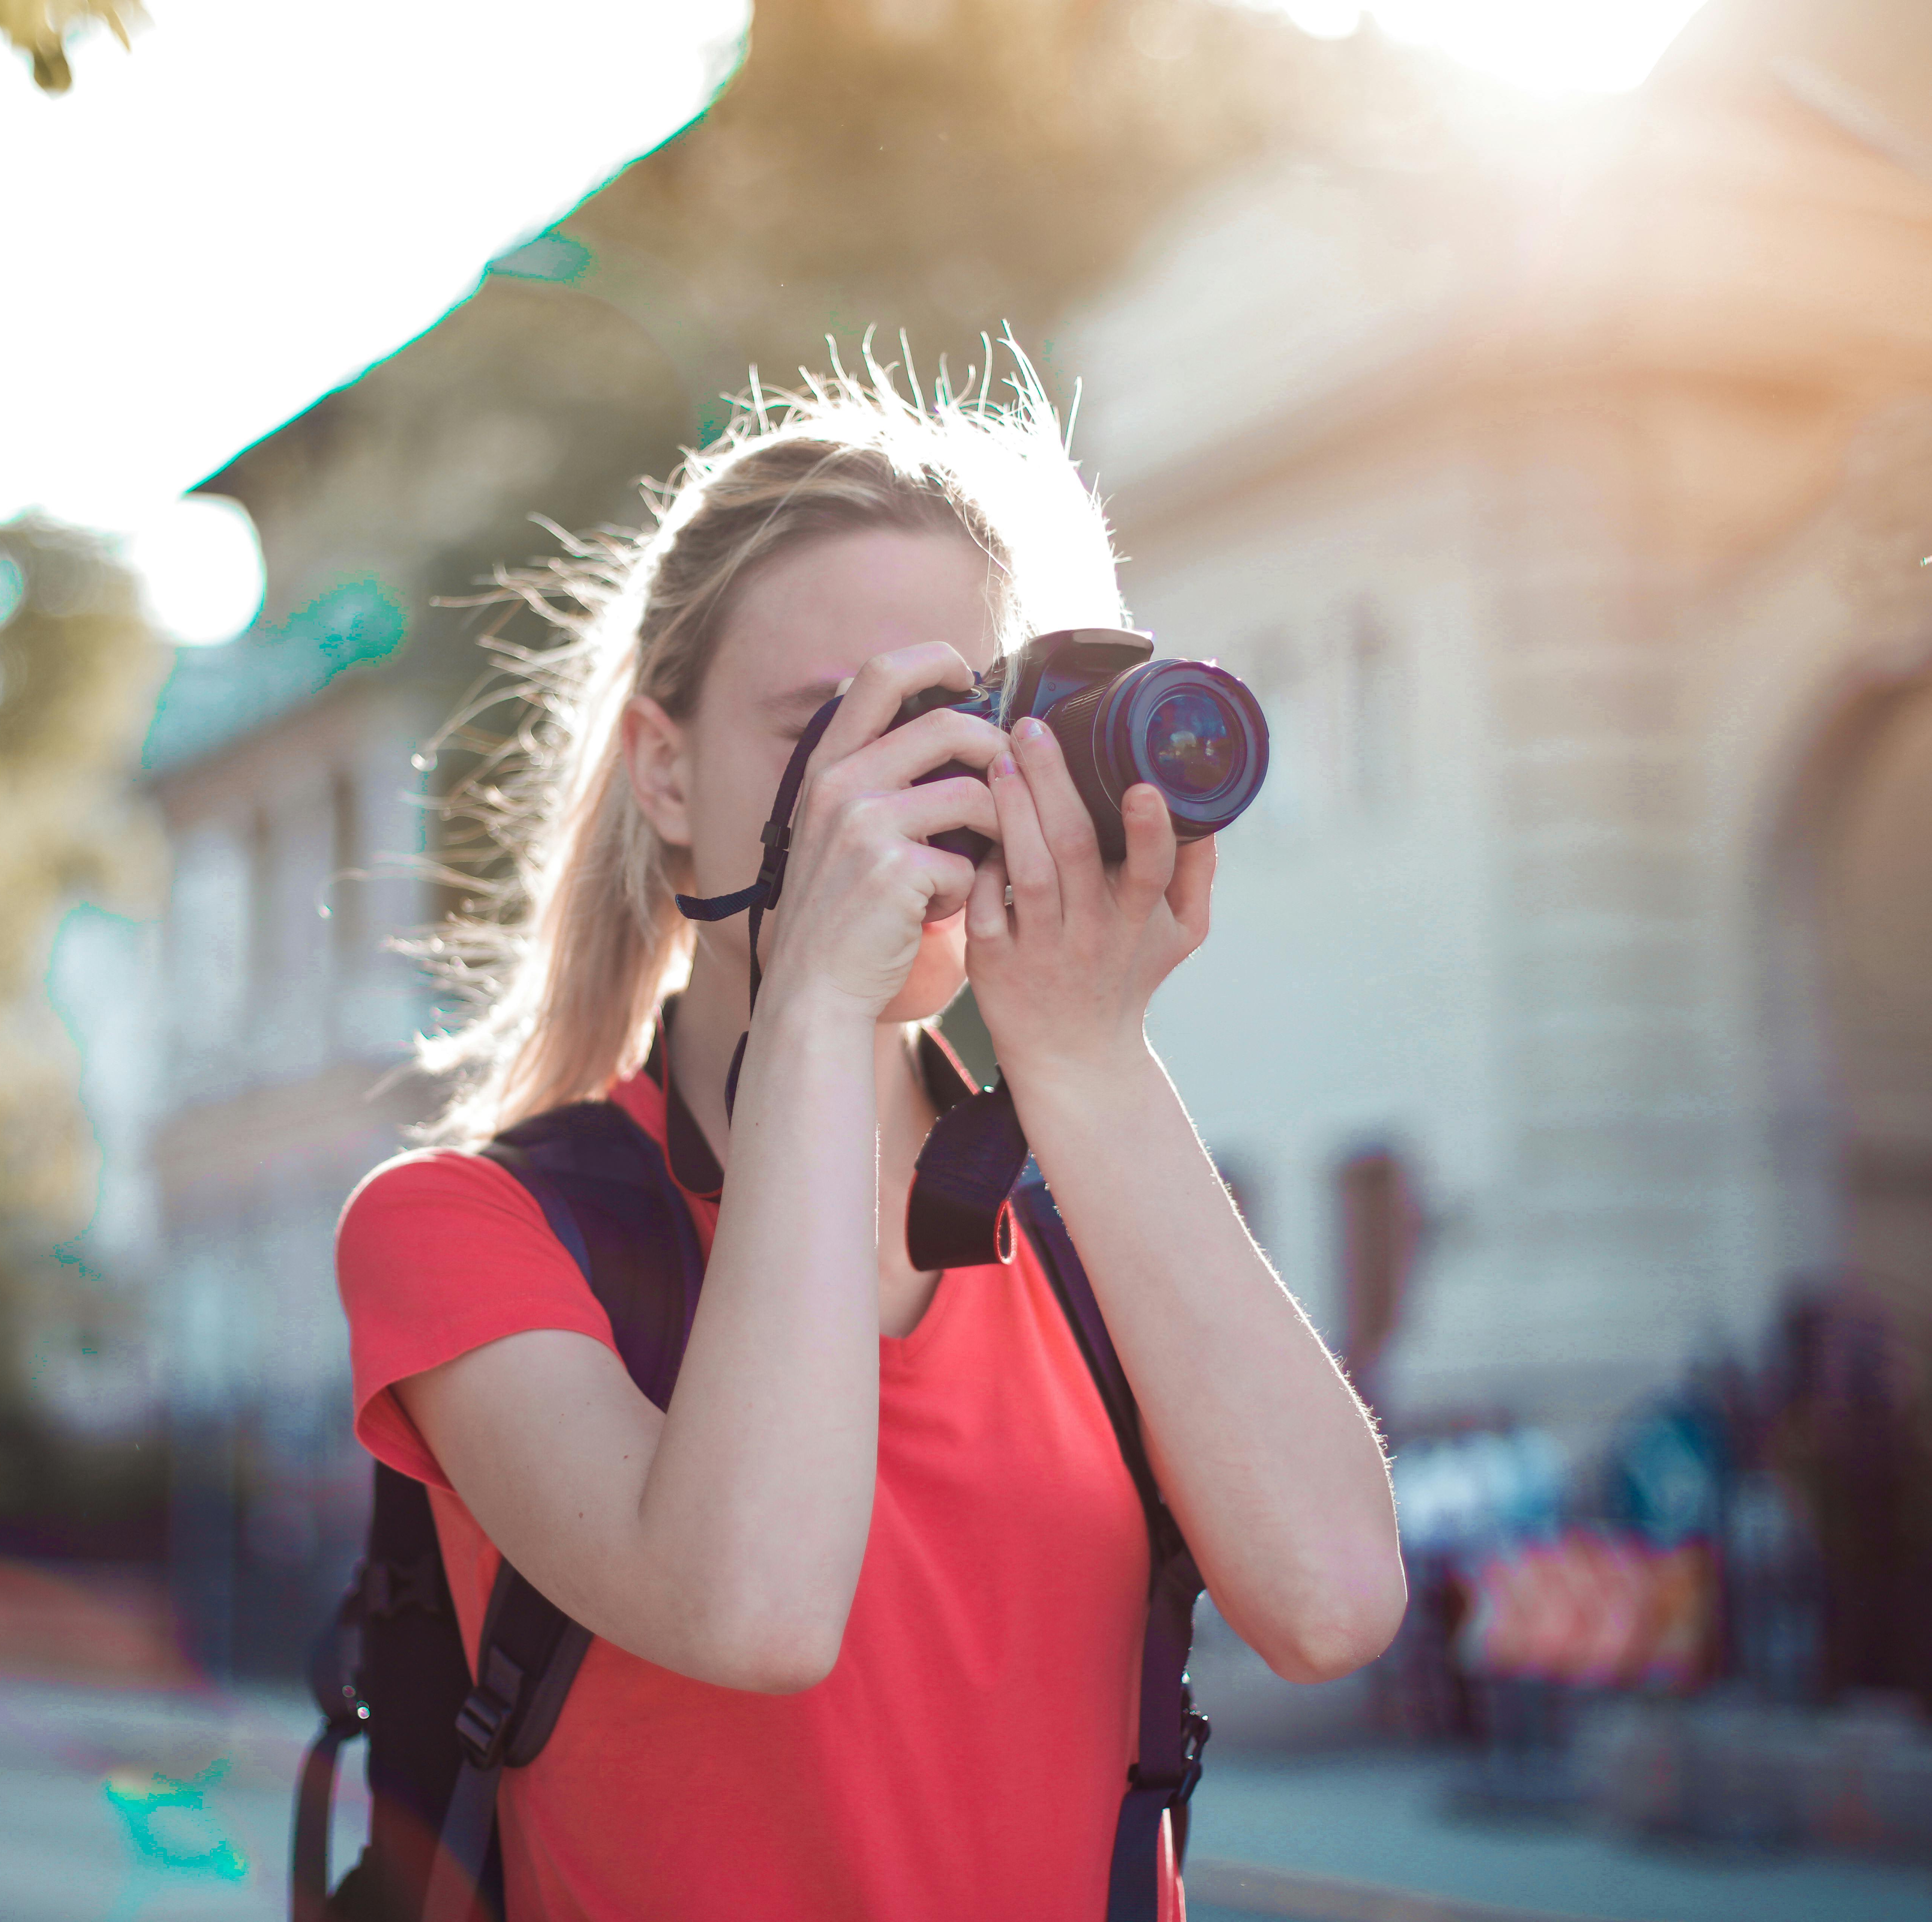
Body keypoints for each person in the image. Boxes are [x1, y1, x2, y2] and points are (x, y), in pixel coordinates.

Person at [337, 355, 1405, 1921]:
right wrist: (821, 1008)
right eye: (826, 727)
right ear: (666, 772)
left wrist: (1086, 1053)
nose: (899, 789)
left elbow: (1335, 1601)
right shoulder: (465, 1233)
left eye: (959, 720)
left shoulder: (1084, 1221)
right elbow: (753, 1605)